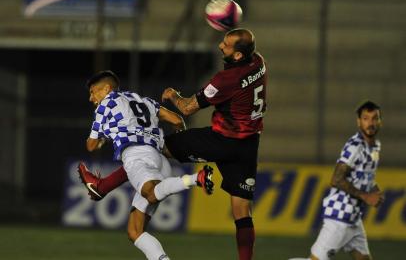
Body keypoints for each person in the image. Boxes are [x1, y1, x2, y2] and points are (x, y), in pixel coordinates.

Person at [79, 28, 267, 260]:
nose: (220, 46)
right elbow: (178, 120)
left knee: (155, 146)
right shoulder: (258, 63)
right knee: (242, 212)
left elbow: (186, 108)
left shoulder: (225, 80)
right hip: (249, 144)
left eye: (226, 45)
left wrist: (173, 95)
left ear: (238, 55)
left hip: (221, 139)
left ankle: (104, 186)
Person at [79, 70, 214, 260]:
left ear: (107, 89)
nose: (91, 98)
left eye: (94, 92)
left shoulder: (105, 105)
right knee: (135, 230)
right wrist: (176, 143)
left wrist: (103, 138)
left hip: (136, 156)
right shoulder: (144, 101)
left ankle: (196, 178)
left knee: (150, 194)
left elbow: (90, 146)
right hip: (160, 161)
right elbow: (177, 120)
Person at [289, 101, 384, 260]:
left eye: (375, 118)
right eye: (366, 118)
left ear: (380, 121)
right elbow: (336, 179)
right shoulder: (355, 146)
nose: (371, 123)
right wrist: (366, 196)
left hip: (354, 218)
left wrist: (372, 188)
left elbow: (361, 175)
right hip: (340, 216)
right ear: (358, 121)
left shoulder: (375, 146)